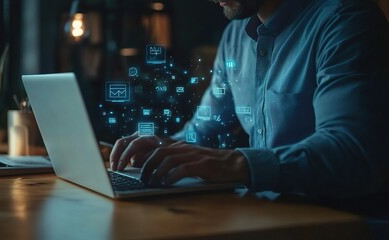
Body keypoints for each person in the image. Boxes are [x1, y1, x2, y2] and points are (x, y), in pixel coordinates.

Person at [110, 0, 389, 198]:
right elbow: (203, 132)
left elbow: (351, 152)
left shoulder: (345, 21)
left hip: (343, 223)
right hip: (267, 217)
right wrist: (162, 148)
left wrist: (236, 164)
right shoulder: (234, 37)